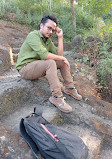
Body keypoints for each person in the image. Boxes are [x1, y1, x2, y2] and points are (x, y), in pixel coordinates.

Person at [16, 14, 82, 113]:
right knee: (50, 62)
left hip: (37, 66)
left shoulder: (47, 40)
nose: (51, 32)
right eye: (49, 28)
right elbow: (45, 55)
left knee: (61, 61)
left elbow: (59, 55)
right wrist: (62, 58)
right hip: (25, 68)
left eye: (53, 30)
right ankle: (56, 97)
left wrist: (60, 38)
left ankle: (69, 88)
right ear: (41, 25)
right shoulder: (33, 35)